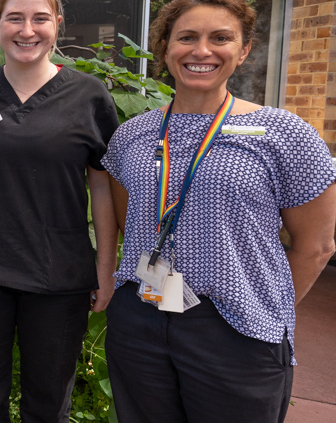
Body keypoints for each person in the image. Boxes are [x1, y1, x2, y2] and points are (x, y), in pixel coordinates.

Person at [101, 0, 336, 421]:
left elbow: (316, 246)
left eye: (221, 38)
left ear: (244, 50)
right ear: (164, 48)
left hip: (237, 326)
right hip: (142, 314)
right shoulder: (131, 135)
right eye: (187, 37)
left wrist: (263, 304)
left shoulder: (284, 135)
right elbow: (128, 222)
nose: (202, 51)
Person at [0, 0, 120, 420]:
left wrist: (104, 269)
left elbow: (102, 186)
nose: (27, 30)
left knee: (49, 398)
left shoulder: (88, 95)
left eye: (40, 18)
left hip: (59, 273)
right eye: (15, 18)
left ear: (57, 24)